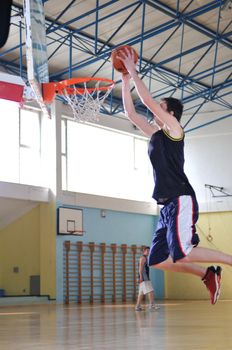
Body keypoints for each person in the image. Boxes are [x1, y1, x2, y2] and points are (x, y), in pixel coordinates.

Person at [118, 48, 232, 305]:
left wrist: (133, 70)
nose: (154, 109)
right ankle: (208, 275)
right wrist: (125, 82)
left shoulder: (175, 130)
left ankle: (228, 260)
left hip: (181, 198)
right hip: (167, 205)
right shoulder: (156, 135)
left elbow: (145, 102)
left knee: (183, 252)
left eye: (160, 107)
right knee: (158, 259)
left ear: (170, 114)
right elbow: (131, 114)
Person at [135, 246, 159, 311]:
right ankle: (151, 305)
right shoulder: (143, 258)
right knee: (151, 291)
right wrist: (141, 277)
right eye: (147, 251)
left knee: (141, 293)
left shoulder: (145, 258)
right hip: (144, 277)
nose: (148, 252)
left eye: (149, 250)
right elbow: (140, 268)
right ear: (143, 251)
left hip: (144, 277)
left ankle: (137, 306)